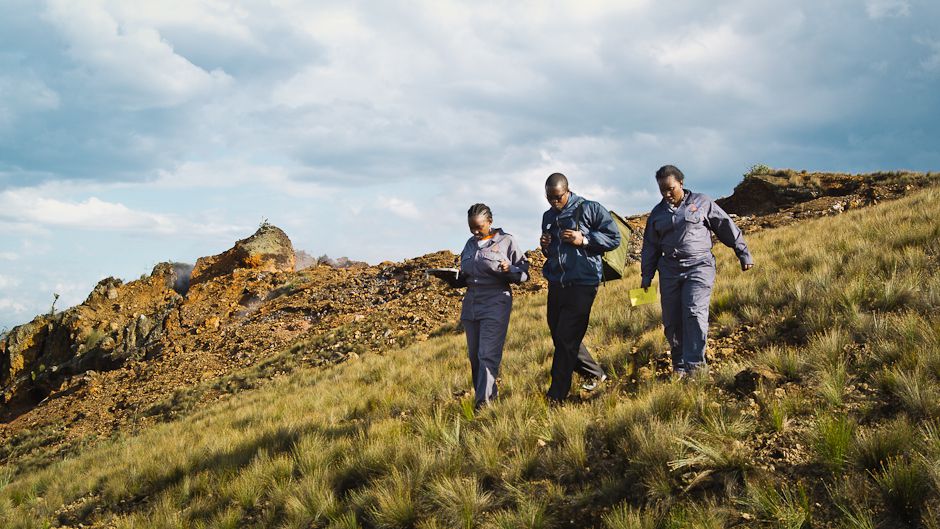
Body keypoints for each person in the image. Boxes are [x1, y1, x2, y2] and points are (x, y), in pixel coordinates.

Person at [640, 165, 754, 377]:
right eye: (662, 190)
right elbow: (650, 248)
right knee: (672, 321)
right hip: (669, 271)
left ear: (681, 183)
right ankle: (680, 367)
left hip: (699, 267)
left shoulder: (702, 202)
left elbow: (725, 225)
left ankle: (695, 369)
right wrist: (646, 276)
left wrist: (743, 252)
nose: (666, 194)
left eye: (670, 189)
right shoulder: (657, 214)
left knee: (694, 312)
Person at [540, 173, 621, 403]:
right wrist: (545, 245)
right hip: (557, 283)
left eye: (557, 197)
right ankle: (595, 373)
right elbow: (552, 251)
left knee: (566, 339)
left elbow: (613, 237)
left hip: (583, 282)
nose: (553, 202)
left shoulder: (590, 208)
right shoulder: (548, 216)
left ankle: (556, 395)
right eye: (549, 198)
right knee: (559, 336)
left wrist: (583, 239)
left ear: (567, 190)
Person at [459, 203, 529, 409]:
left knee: (487, 355)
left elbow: (524, 274)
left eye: (479, 227)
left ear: (490, 222)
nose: (474, 231)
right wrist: (454, 278)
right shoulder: (469, 244)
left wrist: (511, 269)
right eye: (471, 227)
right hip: (471, 304)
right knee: (475, 358)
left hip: (496, 302)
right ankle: (488, 398)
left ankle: (483, 405)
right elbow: (466, 273)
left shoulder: (507, 241)